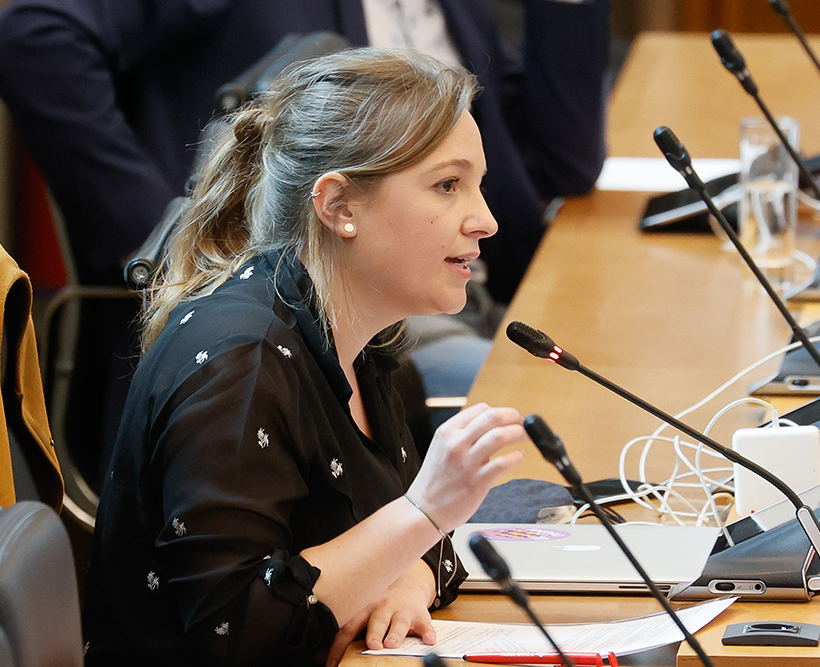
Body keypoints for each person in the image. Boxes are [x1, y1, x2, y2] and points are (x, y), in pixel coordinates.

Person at [81, 48, 528, 667]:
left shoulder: (368, 340)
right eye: (447, 186)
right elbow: (235, 636)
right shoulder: (240, 368)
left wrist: (403, 576)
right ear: (339, 206)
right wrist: (422, 514)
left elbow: (421, 537)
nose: (486, 221)